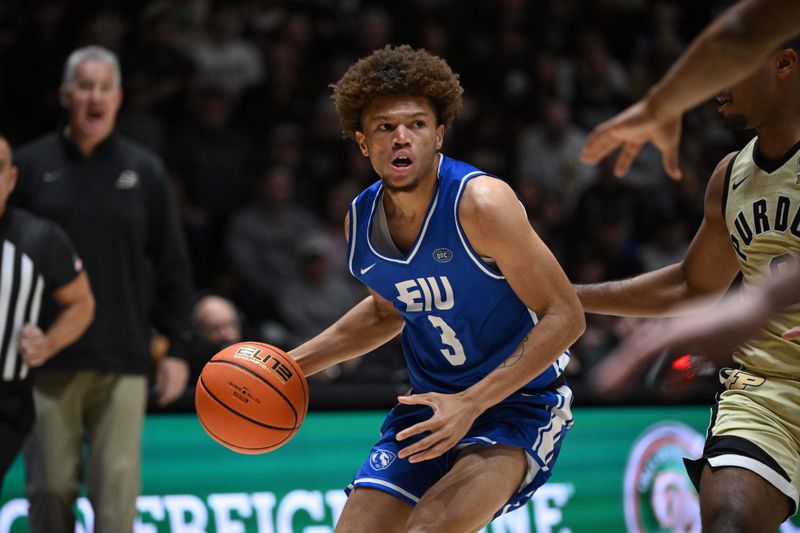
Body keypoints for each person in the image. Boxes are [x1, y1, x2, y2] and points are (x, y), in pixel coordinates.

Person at [288, 44, 584, 531]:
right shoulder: (360, 221)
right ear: (363, 142)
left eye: (417, 124)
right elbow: (387, 312)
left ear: (439, 135)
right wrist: (293, 366)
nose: (401, 138)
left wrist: (471, 404)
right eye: (385, 127)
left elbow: (566, 316)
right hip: (429, 405)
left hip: (518, 405)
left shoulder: (482, 203)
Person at [576, 37, 800, 532]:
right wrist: (570, 297)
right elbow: (691, 285)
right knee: (729, 524)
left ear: (784, 63)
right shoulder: (730, 176)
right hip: (765, 392)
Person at [11, 45, 195, 533]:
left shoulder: (145, 170)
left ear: (117, 98)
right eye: (85, 87)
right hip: (47, 359)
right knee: (48, 494)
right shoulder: (28, 168)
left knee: (115, 505)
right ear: (66, 95)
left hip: (124, 360)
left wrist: (176, 347)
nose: (94, 97)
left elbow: (173, 266)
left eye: (104, 88)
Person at [580, 0, 800, 180]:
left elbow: (739, 36)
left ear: (783, 64)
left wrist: (658, 108)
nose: (718, 92)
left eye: (727, 73)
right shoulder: (727, 180)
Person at [0, 134, 94, 493]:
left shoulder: (39, 238)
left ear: (11, 179)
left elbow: (81, 303)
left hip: (6, 396)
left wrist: (48, 342)